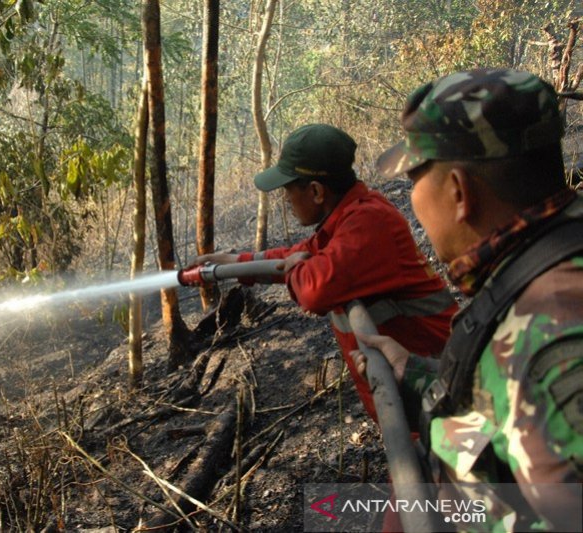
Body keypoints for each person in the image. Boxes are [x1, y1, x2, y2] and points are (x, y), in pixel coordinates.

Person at [354, 68, 583, 531]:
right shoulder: (541, 262)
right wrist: (416, 375)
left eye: (415, 178)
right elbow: (505, 414)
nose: (411, 197)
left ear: (458, 192)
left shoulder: (553, 335)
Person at [196, 123, 458, 423]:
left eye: (287, 190)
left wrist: (297, 268)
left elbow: (313, 289)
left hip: (443, 393)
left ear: (317, 191)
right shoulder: (343, 221)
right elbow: (296, 254)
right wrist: (236, 262)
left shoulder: (368, 222)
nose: (286, 200)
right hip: (418, 400)